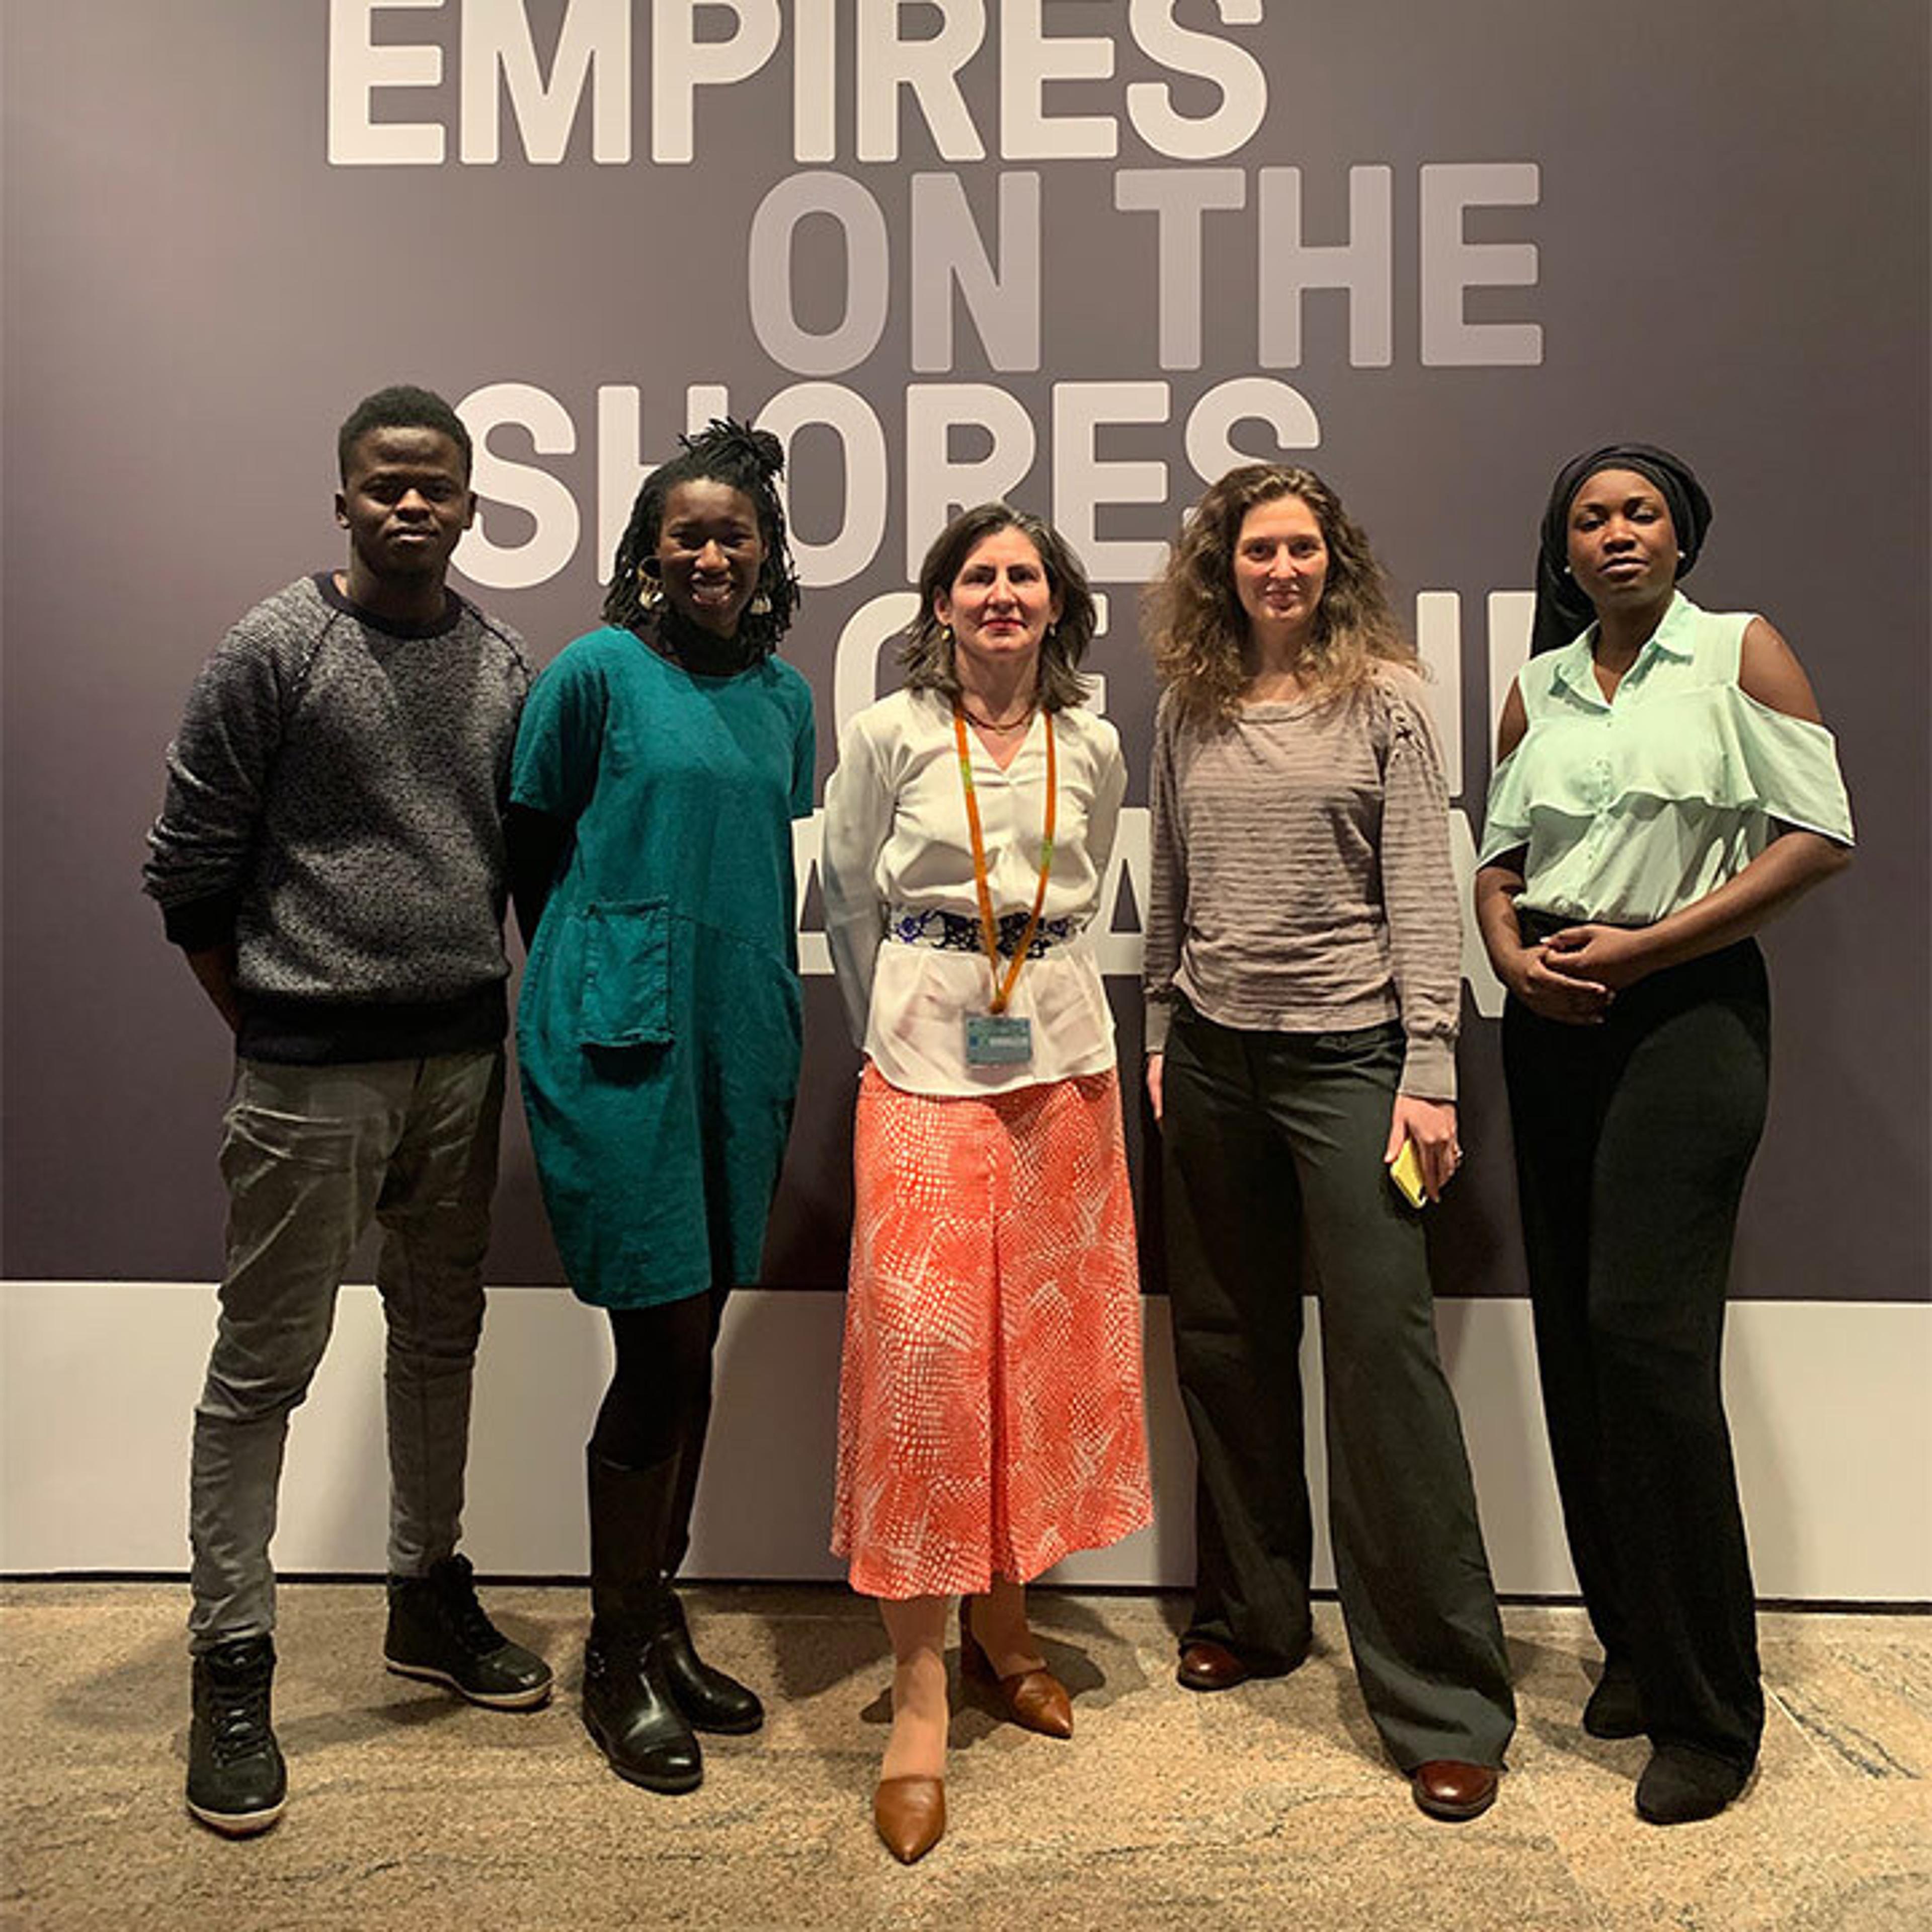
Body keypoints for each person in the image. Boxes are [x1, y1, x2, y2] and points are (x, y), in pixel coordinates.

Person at [142, 384, 552, 1838]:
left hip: (463, 1057)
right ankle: (231, 1656)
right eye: (385, 485)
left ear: (470, 503)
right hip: (307, 1066)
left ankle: (426, 1596)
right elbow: (188, 869)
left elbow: (514, 860)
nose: (411, 506)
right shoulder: (276, 648)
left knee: (442, 1339)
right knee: (264, 1364)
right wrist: (274, 1026)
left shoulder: (504, 659)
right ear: (342, 502)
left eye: (435, 485)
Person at [1475, 443, 1853, 1824]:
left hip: (1687, 1015)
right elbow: (1500, 868)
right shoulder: (1541, 686)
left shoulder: (1739, 654)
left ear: (1683, 535)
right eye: (1589, 517)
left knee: (1648, 1335)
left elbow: (1818, 835)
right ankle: (1634, 1650)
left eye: (1640, 512)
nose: (1616, 533)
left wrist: (1647, 950)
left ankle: (1711, 1714)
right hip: (1555, 1022)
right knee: (1579, 1341)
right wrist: (1509, 956)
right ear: (1564, 551)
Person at [1142, 462, 1516, 1822]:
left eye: (1302, 549)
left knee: (1382, 1367)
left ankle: (1445, 1699)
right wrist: (1158, 1031)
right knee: (1227, 1347)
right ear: (1223, 567)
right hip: (1214, 1062)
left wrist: (1430, 1069)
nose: (1280, 571)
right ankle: (1252, 1615)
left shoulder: (1391, 704)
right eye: (1257, 550)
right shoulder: (1191, 701)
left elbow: (1424, 887)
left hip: (1354, 1063)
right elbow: (1169, 879)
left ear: (1333, 561)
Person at [821, 505, 1152, 1864]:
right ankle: (915, 1692)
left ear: (1058, 604)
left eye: (1023, 577)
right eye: (977, 577)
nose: (1001, 596)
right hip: (917, 1058)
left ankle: (1004, 1628)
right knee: (924, 1365)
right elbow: (844, 892)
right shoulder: (891, 734)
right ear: (943, 604)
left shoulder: (1096, 744)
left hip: (1060, 1063)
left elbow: (1092, 892)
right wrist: (881, 1025)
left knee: (1038, 1351)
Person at [506, 421, 815, 1797]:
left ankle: (661, 1617)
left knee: (694, 1348)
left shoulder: (786, 701)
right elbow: (527, 848)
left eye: (731, 535)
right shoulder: (593, 675)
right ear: (646, 552)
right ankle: (616, 1654)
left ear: (765, 556)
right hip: (619, 1035)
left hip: (736, 1034)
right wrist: (594, 971)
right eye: (684, 533)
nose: (708, 553)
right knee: (661, 1345)